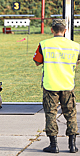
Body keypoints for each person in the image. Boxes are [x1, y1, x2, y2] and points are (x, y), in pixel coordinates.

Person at [33, 19, 79, 153]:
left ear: (52, 30)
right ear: (66, 30)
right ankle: (72, 145)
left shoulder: (44, 44)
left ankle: (53, 145)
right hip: (67, 85)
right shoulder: (75, 46)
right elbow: (77, 60)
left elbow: (37, 62)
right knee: (71, 114)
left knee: (51, 114)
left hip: (50, 85)